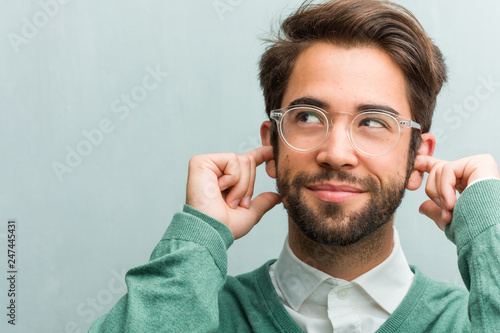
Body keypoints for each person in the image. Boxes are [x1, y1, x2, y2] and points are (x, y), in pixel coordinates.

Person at [90, 0, 500, 332]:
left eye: (374, 122)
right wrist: (197, 240)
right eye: (307, 117)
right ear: (272, 142)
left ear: (416, 158)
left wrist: (490, 232)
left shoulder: (471, 321)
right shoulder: (195, 313)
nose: (337, 153)